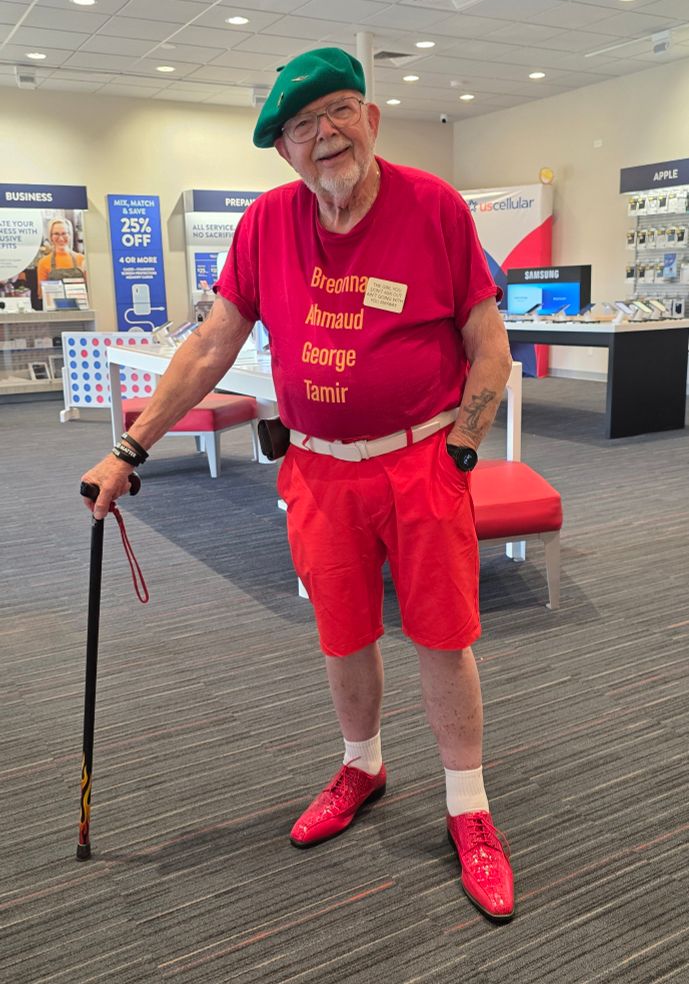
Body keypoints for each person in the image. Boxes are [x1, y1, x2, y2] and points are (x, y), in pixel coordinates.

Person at [81, 48, 515, 922]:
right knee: (342, 634)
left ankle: (467, 805)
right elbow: (211, 345)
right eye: (302, 125)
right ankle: (362, 766)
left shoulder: (432, 206)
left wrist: (462, 449)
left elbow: (487, 344)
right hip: (318, 469)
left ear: (371, 119)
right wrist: (129, 448)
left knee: (441, 635)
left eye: (340, 111)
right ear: (282, 150)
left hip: (420, 461)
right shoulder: (266, 225)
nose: (325, 134)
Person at [36, 218, 87, 302]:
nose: (60, 238)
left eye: (64, 233)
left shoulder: (82, 259)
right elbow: (41, 294)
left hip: (80, 307)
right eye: (56, 234)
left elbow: (90, 290)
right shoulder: (43, 262)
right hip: (54, 308)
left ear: (69, 235)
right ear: (51, 237)